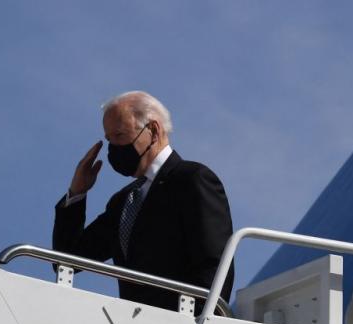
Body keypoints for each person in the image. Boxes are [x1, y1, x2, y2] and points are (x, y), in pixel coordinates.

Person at [53, 91, 234, 312]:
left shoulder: (192, 179)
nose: (113, 149)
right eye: (109, 140)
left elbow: (214, 266)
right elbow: (67, 260)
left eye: (120, 135)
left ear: (154, 130)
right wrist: (77, 192)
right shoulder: (122, 202)